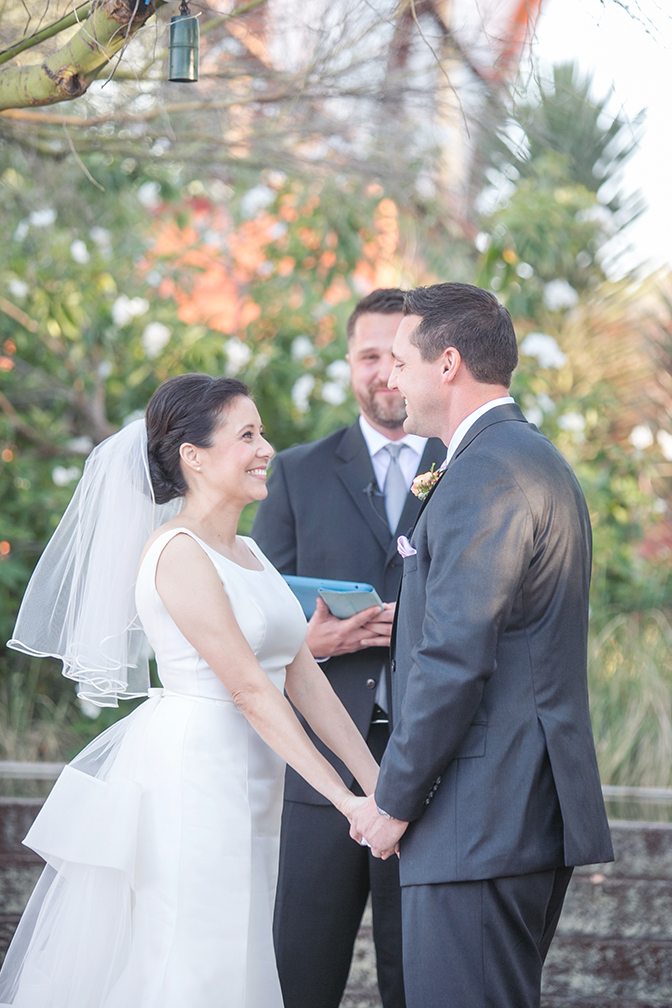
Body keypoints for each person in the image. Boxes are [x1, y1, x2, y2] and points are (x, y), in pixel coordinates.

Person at [0, 374, 379, 1008]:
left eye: (262, 433)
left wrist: (377, 784)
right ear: (193, 456)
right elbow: (250, 691)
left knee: (243, 943)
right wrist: (345, 802)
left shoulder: (251, 552)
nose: (266, 449)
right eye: (247, 435)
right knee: (198, 953)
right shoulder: (177, 552)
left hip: (254, 776)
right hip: (198, 774)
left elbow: (303, 677)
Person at [350, 283, 614, 1008]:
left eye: (401, 360)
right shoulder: (524, 457)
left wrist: (393, 800)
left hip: (481, 820)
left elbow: (454, 659)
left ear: (448, 364)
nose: (390, 377)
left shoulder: (487, 473)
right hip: (508, 814)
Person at [252, 289, 445, 1008]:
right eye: (369, 356)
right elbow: (257, 617)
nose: (384, 373)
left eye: (397, 356)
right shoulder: (297, 472)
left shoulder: (464, 460)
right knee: (299, 976)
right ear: (348, 363)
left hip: (435, 767)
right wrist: (315, 643)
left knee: (417, 981)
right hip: (322, 774)